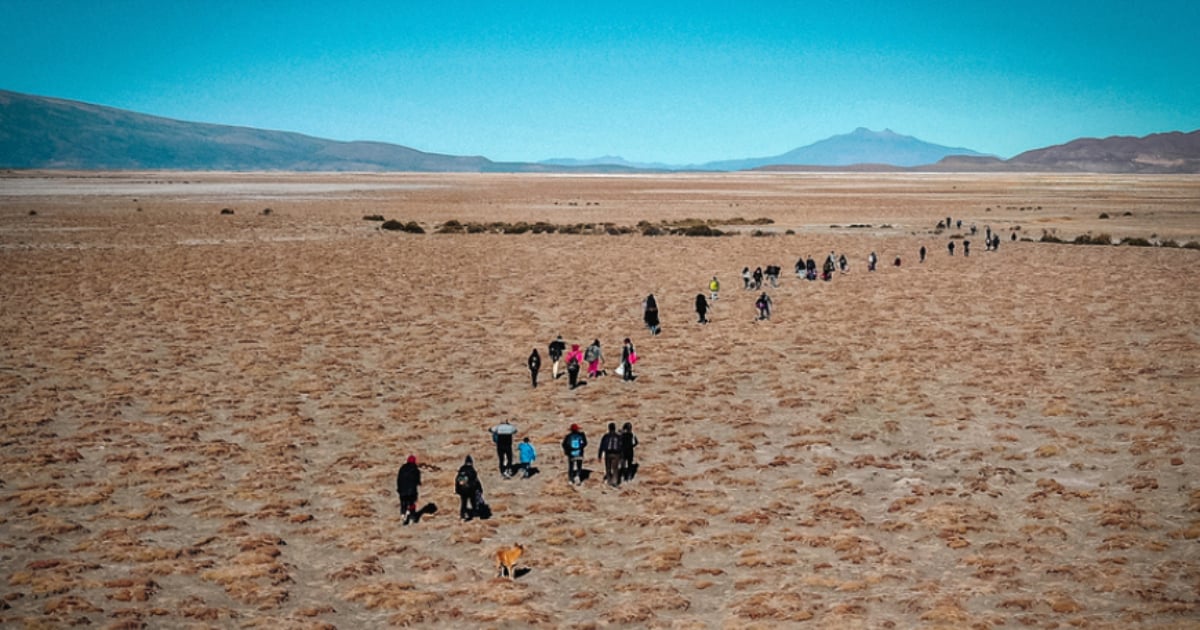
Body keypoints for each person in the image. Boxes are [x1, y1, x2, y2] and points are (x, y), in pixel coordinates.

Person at [396, 455, 421, 525]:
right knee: (412, 503)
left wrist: (399, 488)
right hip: (411, 491)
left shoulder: (402, 468)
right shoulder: (415, 469)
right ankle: (412, 517)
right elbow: (417, 480)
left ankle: (403, 515)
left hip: (402, 491)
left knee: (403, 503)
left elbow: (399, 479)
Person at [455, 455, 481, 520]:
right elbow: (476, 480)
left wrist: (457, 490)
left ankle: (462, 514)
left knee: (464, 503)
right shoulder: (472, 470)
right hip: (471, 490)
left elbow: (457, 480)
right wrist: (479, 488)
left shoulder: (462, 469)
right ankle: (475, 513)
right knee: (473, 502)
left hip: (463, 490)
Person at [598, 423, 623, 487]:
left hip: (607, 453)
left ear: (609, 428)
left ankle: (609, 481)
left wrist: (599, 456)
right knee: (615, 468)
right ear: (615, 428)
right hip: (616, 454)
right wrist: (621, 456)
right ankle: (614, 481)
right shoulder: (618, 436)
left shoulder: (606, 436)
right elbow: (621, 446)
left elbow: (601, 446)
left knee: (608, 468)